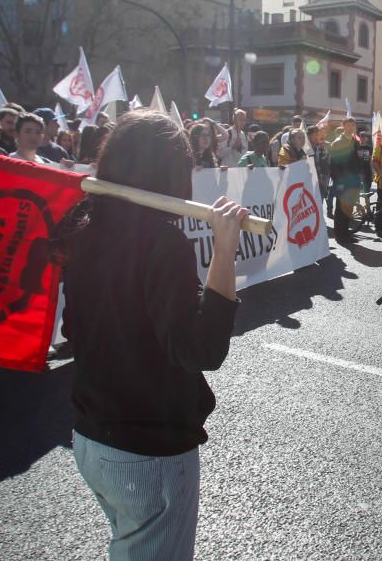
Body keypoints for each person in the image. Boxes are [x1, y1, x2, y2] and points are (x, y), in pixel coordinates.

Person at [58, 111, 248, 560]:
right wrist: (224, 252)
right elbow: (201, 348)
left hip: (90, 437)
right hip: (147, 449)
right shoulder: (162, 243)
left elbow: (74, 331)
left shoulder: (84, 228)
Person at [329, 117, 362, 244]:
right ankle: (340, 235)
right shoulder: (338, 142)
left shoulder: (355, 142)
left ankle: (346, 232)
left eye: (353, 125)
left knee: (349, 208)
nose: (351, 127)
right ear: (343, 126)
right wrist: (339, 181)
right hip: (342, 181)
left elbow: (357, 161)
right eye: (348, 125)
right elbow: (333, 165)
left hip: (353, 181)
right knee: (340, 209)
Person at [308, 125, 331, 204]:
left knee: (320, 201)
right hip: (310, 180)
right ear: (308, 135)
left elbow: (327, 162)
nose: (316, 137)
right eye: (314, 135)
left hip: (323, 179)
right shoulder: (305, 148)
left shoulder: (322, 147)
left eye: (318, 134)